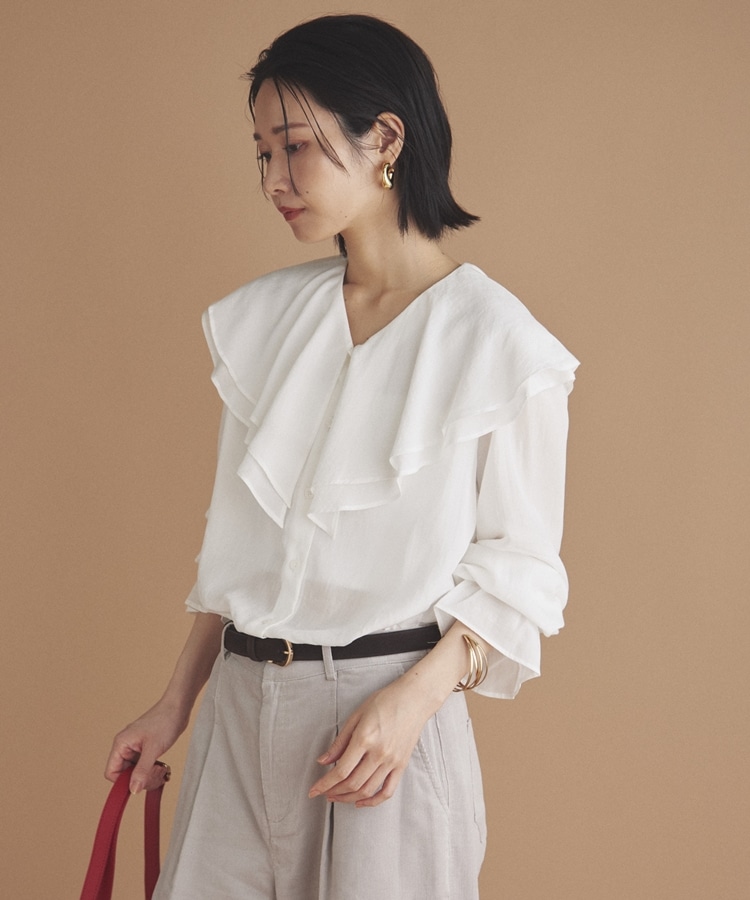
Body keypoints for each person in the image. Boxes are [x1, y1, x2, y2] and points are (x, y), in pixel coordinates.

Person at [106, 14, 579, 900]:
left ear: (385, 139)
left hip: (377, 734)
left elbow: (519, 570)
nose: (272, 180)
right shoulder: (266, 323)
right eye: (262, 153)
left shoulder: (501, 346)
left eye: (295, 147)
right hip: (236, 716)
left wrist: (413, 704)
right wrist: (176, 703)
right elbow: (238, 551)